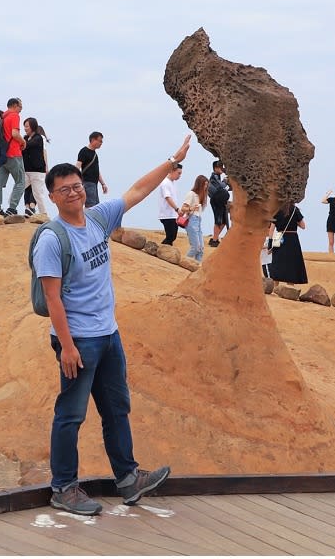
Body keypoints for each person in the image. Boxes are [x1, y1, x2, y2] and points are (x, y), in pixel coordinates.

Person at [33, 135, 191, 516]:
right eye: (63, 190)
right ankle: (64, 487)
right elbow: (52, 298)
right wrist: (67, 346)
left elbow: (138, 190)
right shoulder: (52, 239)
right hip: (78, 341)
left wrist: (172, 159)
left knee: (117, 409)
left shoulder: (99, 218)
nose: (72, 193)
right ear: (52, 197)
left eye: (75, 186)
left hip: (108, 335)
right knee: (70, 414)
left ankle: (127, 479)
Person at [0, 97, 26, 217]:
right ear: (15, 105)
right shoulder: (14, 116)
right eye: (20, 107)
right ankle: (12, 208)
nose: (21, 109)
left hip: (2, 154)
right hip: (13, 153)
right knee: (21, 181)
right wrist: (23, 142)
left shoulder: (2, 116)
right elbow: (15, 134)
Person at [266, 202, 308, 290]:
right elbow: (303, 226)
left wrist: (270, 244)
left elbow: (271, 230)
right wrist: (294, 222)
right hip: (292, 238)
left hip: (279, 238)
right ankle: (290, 288)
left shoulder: (277, 210)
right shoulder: (294, 210)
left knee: (277, 262)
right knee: (291, 263)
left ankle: (275, 288)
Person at [23, 118, 50, 216]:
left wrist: (46, 167)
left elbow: (43, 152)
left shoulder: (39, 138)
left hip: (36, 169)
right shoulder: (26, 138)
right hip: (28, 168)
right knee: (27, 189)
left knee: (35, 192)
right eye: (24, 126)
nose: (25, 128)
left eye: (27, 126)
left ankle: (39, 211)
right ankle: (29, 208)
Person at [180, 175, 209, 263]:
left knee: (201, 249)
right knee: (196, 247)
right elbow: (183, 208)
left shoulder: (202, 196)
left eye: (207, 185)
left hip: (198, 220)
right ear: (200, 185)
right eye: (204, 185)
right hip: (192, 220)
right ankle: (184, 262)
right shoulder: (191, 194)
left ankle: (197, 268)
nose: (206, 187)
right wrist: (192, 208)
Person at [76, 132, 108, 208]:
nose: (101, 143)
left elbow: (96, 170)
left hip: (94, 184)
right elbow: (77, 167)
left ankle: (87, 219)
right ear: (93, 140)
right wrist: (76, 182)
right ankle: (86, 219)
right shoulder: (84, 151)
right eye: (100, 141)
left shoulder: (95, 154)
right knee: (91, 207)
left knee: (96, 206)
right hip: (88, 183)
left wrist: (103, 183)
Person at [157, 162, 183, 245]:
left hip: (173, 215)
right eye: (178, 173)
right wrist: (177, 209)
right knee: (171, 236)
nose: (179, 176)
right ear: (172, 171)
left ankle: (166, 251)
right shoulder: (165, 183)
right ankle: (160, 249)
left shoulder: (172, 183)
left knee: (172, 236)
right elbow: (167, 197)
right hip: (166, 215)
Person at [208, 160, 231, 247]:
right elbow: (221, 186)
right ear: (215, 168)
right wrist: (226, 180)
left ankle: (215, 238)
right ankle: (214, 240)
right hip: (216, 201)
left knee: (224, 221)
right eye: (220, 167)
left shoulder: (217, 176)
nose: (221, 169)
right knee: (218, 220)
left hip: (220, 201)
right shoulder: (214, 176)